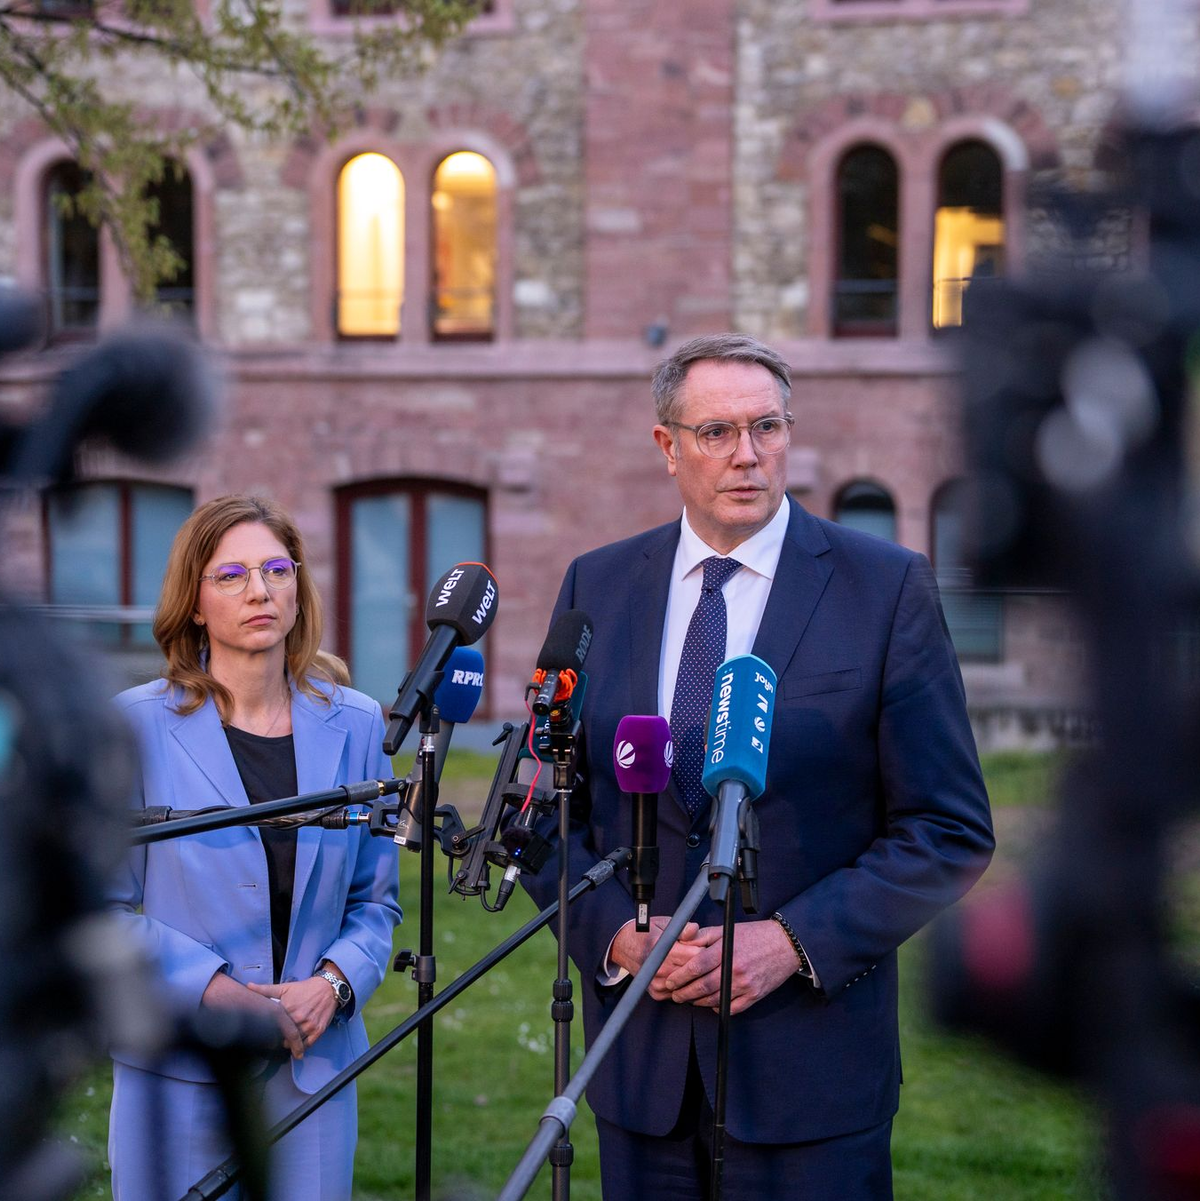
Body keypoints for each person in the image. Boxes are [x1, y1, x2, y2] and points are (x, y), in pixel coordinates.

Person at [519, 334, 995, 1199]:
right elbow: (549, 815)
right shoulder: (599, 584)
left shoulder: (884, 587)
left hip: (811, 1078)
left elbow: (947, 827)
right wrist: (617, 937)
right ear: (667, 446)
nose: (747, 454)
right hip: (643, 1072)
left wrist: (792, 943)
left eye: (766, 427)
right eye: (717, 432)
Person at [107, 494, 401, 1200]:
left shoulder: (359, 724)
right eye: (231, 575)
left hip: (312, 1066)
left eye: (276, 569)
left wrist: (333, 984)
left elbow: (376, 902)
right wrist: (217, 991)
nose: (260, 591)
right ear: (194, 602)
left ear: (298, 586)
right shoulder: (135, 726)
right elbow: (100, 908)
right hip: (176, 1067)